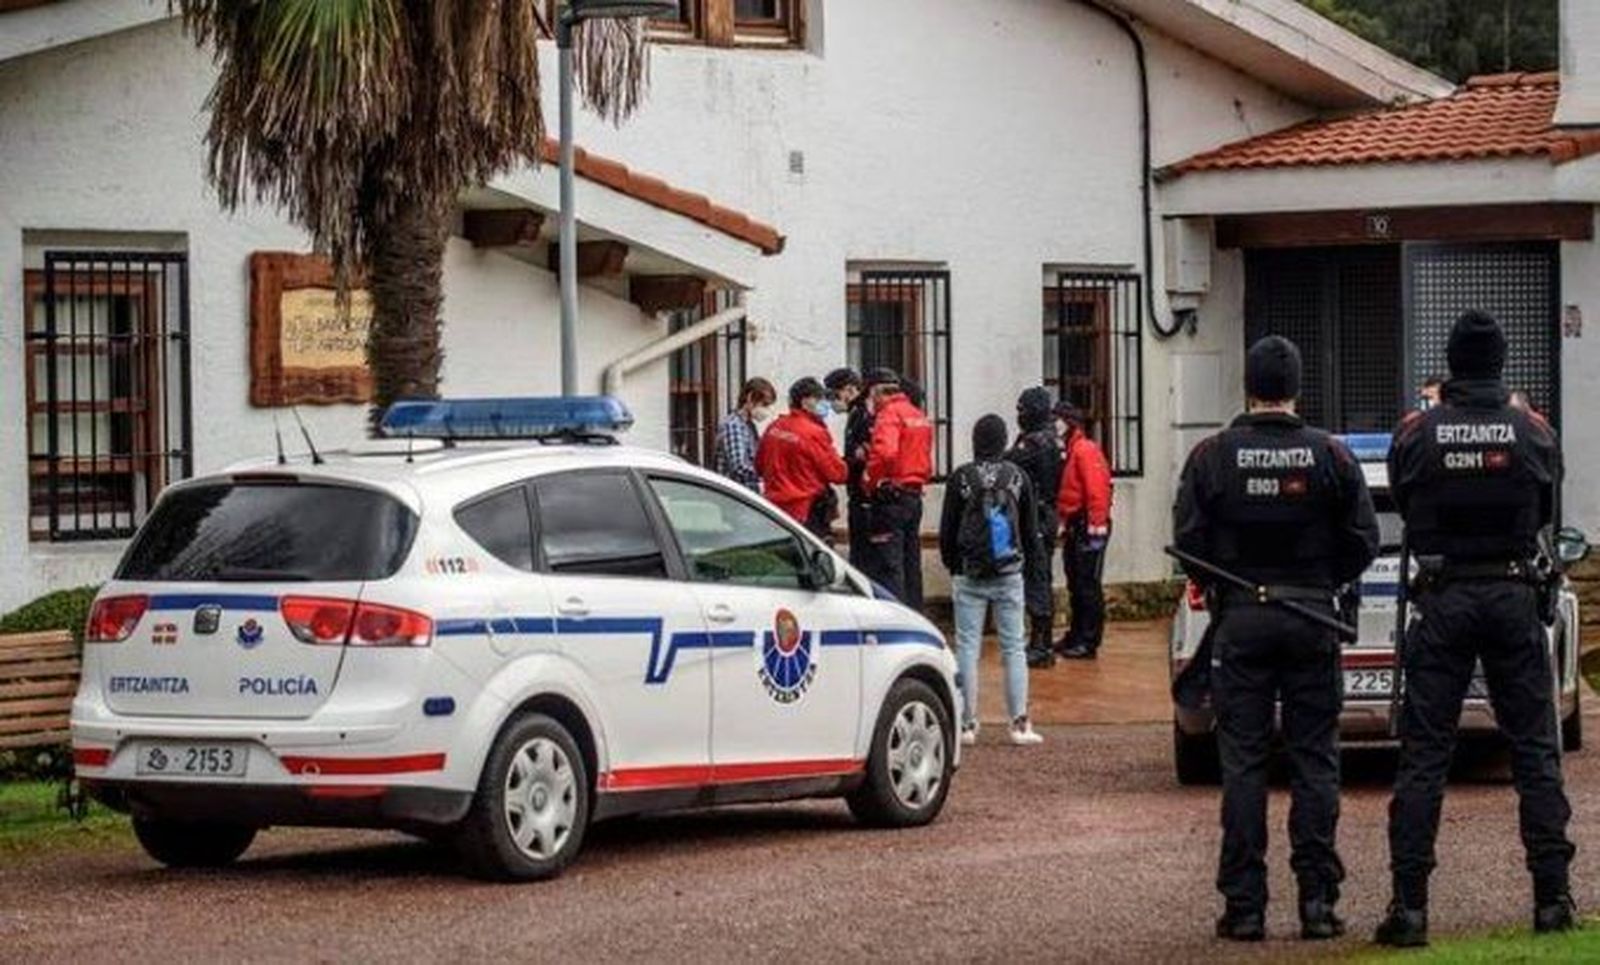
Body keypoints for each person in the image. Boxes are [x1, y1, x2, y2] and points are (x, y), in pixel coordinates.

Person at [1375, 311, 1574, 948]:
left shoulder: (1418, 432)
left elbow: (1404, 499)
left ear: (1454, 363)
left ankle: (1409, 906)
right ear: (1500, 361)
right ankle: (1551, 898)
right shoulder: (1531, 431)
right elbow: (1546, 505)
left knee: (1425, 752)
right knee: (1535, 748)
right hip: (1514, 591)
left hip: (1445, 593)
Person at [1173, 335, 1379, 943]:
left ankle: (1245, 907)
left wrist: (1220, 587)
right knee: (1316, 761)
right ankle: (1317, 901)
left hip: (1241, 617)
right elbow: (1363, 539)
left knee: (1243, 764)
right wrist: (1321, 582)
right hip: (1312, 616)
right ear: (1295, 390)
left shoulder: (1213, 454)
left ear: (1249, 388)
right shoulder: (1331, 456)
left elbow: (1188, 538)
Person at [940, 414, 1044, 746]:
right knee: (1014, 646)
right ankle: (1019, 723)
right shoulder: (1017, 476)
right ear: (1002, 441)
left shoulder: (961, 477)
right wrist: (1030, 570)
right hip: (1009, 571)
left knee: (967, 647)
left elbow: (948, 529)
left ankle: (968, 724)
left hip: (969, 572)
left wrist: (954, 565)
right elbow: (1030, 531)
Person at [862, 372, 934, 608]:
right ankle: (916, 613)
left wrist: (870, 480)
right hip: (914, 495)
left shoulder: (888, 415)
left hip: (891, 496)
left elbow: (885, 452)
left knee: (888, 564)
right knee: (911, 560)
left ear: (879, 394)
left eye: (872, 396)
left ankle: (895, 617)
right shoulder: (918, 415)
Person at [1005, 387, 1065, 668]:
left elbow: (1010, 461)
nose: (1020, 416)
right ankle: (1040, 640)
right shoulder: (1050, 437)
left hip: (1039, 515)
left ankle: (1042, 644)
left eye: (1022, 410)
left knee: (1037, 577)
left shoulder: (1038, 442)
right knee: (1039, 575)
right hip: (1043, 513)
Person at [1055, 401, 1113, 659]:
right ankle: (1076, 634)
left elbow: (1097, 490)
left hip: (1088, 525)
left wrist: (1096, 527)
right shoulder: (1071, 450)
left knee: (1088, 584)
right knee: (1076, 583)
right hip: (1076, 524)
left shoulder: (1084, 450)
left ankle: (1088, 640)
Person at [757, 377, 848, 541]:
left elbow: (759, 465)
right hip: (805, 510)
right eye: (819, 399)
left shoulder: (774, 427)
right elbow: (838, 474)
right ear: (806, 401)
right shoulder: (814, 432)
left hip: (775, 508)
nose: (824, 404)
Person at [825, 367, 873, 566]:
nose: (834, 401)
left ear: (850, 389)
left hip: (865, 494)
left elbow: (865, 454)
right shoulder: (855, 413)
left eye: (836, 394)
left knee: (864, 553)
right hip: (857, 491)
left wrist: (844, 463)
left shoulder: (864, 414)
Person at [715, 377, 776, 492]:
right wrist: (767, 477)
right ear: (750, 398)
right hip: (733, 493)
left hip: (744, 492)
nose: (766, 410)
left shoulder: (748, 425)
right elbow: (739, 466)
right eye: (764, 404)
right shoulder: (734, 425)